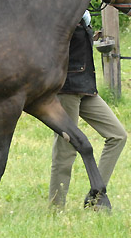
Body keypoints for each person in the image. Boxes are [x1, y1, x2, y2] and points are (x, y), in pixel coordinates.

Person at [49, 10, 127, 208]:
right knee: (66, 148)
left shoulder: (81, 12)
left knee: (117, 135)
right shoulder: (61, 11)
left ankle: (96, 195)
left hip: (86, 87)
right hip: (67, 89)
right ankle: (56, 207)